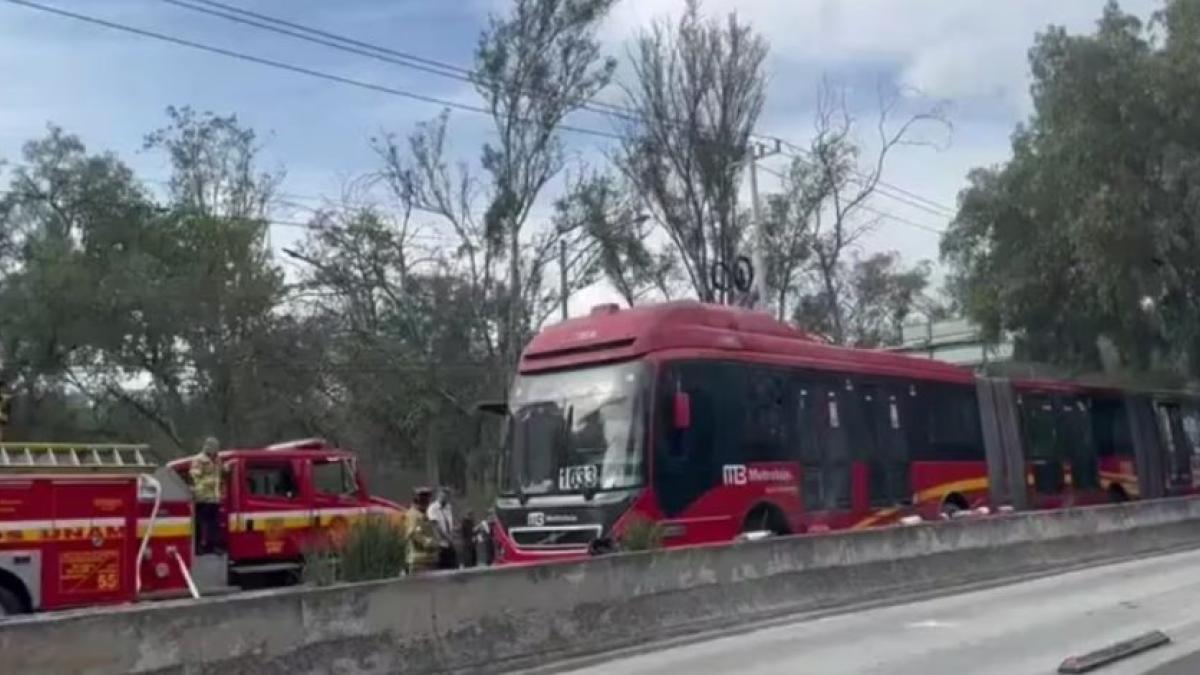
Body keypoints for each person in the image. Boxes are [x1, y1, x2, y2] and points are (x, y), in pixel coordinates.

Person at [188, 437, 224, 555]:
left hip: (214, 496)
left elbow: (221, 472)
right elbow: (194, 475)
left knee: (214, 523)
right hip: (202, 496)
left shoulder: (218, 460)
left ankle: (212, 546)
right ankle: (198, 546)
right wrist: (207, 482)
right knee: (200, 523)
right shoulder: (199, 460)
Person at [403, 487, 439, 574]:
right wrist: (428, 542)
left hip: (428, 559)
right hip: (419, 561)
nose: (428, 501)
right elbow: (413, 533)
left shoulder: (423, 514)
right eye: (425, 499)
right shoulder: (413, 514)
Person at [427, 487, 458, 569]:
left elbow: (450, 523)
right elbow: (437, 527)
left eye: (447, 497)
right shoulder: (432, 508)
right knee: (443, 570)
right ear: (438, 496)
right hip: (440, 545)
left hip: (450, 544)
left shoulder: (448, 507)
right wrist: (449, 539)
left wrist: (453, 534)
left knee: (454, 568)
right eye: (442, 496)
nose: (445, 499)